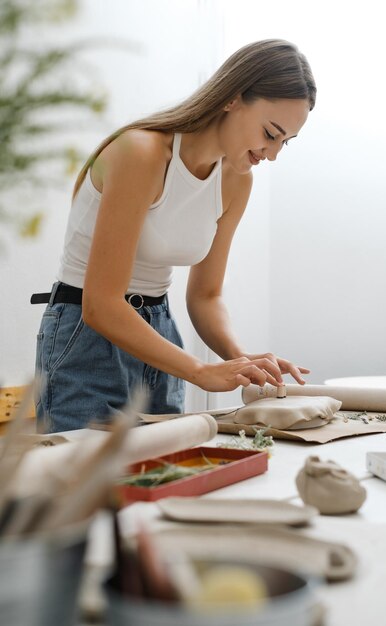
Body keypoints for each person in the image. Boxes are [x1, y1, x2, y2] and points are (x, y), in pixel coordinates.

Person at [32, 39, 316, 433]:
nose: (272, 154)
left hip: (159, 332)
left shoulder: (236, 181)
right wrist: (200, 371)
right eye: (270, 133)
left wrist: (242, 360)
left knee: (163, 483)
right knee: (87, 489)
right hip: (85, 333)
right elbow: (101, 304)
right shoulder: (140, 153)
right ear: (233, 98)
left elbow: (206, 295)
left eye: (285, 142)